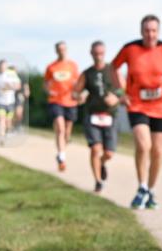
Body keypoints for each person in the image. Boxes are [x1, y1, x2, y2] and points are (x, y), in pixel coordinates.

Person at [112, 14, 162, 209]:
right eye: (146, 30)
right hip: (137, 104)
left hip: (161, 105)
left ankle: (150, 190)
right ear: (141, 31)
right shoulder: (130, 49)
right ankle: (142, 187)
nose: (150, 34)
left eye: (154, 31)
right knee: (144, 145)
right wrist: (121, 92)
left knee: (158, 151)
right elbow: (114, 67)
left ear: (158, 32)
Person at [74, 41, 120, 192]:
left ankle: (102, 163)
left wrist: (116, 97)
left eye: (101, 53)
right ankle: (98, 181)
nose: (98, 57)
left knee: (109, 153)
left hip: (109, 116)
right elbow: (75, 92)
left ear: (105, 53)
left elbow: (124, 89)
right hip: (92, 116)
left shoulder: (113, 71)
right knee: (95, 149)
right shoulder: (87, 73)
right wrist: (79, 96)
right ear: (91, 54)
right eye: (96, 54)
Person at [44, 41, 80, 172]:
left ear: (67, 50)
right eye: (59, 49)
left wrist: (79, 93)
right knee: (60, 127)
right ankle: (62, 157)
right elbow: (46, 83)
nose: (62, 51)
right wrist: (49, 91)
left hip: (70, 101)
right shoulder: (51, 67)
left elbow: (78, 83)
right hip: (56, 100)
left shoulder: (73, 66)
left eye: (64, 49)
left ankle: (62, 149)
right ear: (56, 51)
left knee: (67, 132)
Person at [0, 60, 22, 145]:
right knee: (1, 119)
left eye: (3, 67)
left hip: (10, 101)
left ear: (6, 67)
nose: (2, 69)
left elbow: (18, 85)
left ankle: (7, 131)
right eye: (0, 67)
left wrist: (10, 86)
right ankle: (1, 138)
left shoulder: (12, 74)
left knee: (8, 121)